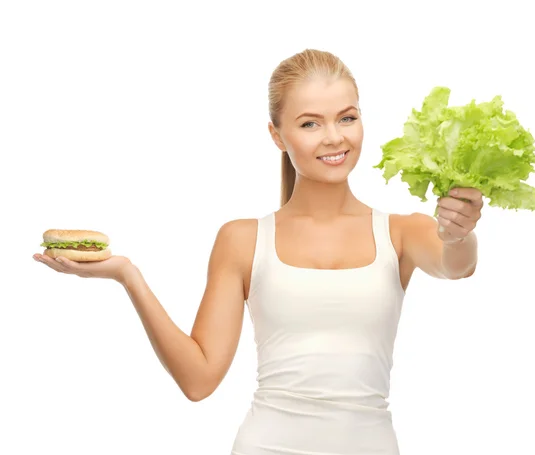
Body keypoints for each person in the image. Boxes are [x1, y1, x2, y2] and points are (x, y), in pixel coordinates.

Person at [32, 48, 483, 454]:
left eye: (347, 118)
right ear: (276, 134)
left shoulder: (403, 232)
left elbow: (455, 264)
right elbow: (199, 379)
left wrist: (458, 232)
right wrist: (127, 274)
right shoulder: (243, 239)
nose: (333, 137)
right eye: (310, 123)